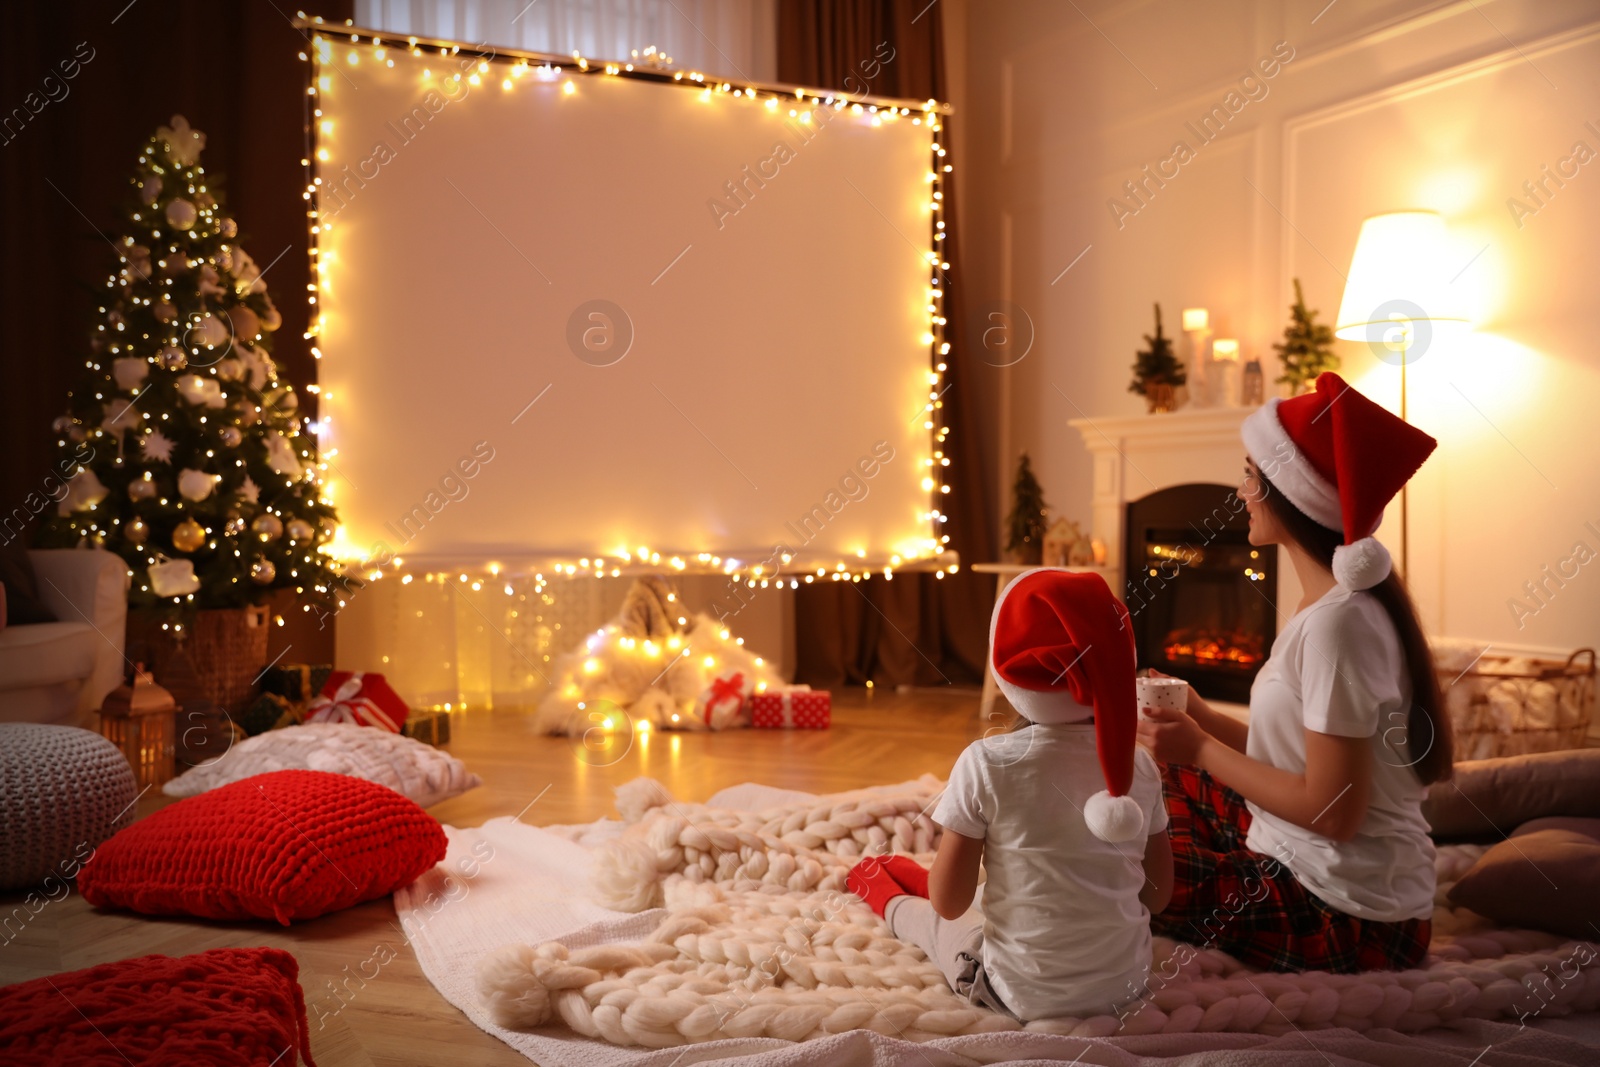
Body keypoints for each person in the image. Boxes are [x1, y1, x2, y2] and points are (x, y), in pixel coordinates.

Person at [1137, 370, 1451, 973]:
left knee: (1128, 867)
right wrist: (1199, 717)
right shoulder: (1323, 607)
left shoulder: (1341, 626)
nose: (1240, 492)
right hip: (1295, 855)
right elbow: (1292, 763)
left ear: (1290, 493)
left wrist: (1200, 747)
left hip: (1349, 915)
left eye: (1250, 476)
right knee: (1150, 784)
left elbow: (1334, 811)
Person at [846, 569, 1173, 1022]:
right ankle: (908, 878)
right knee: (1024, 882)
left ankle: (880, 889)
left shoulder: (986, 763)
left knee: (941, 925)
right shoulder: (1140, 766)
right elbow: (1157, 897)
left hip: (1019, 992)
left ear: (1008, 674)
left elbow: (949, 902)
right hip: (1127, 988)